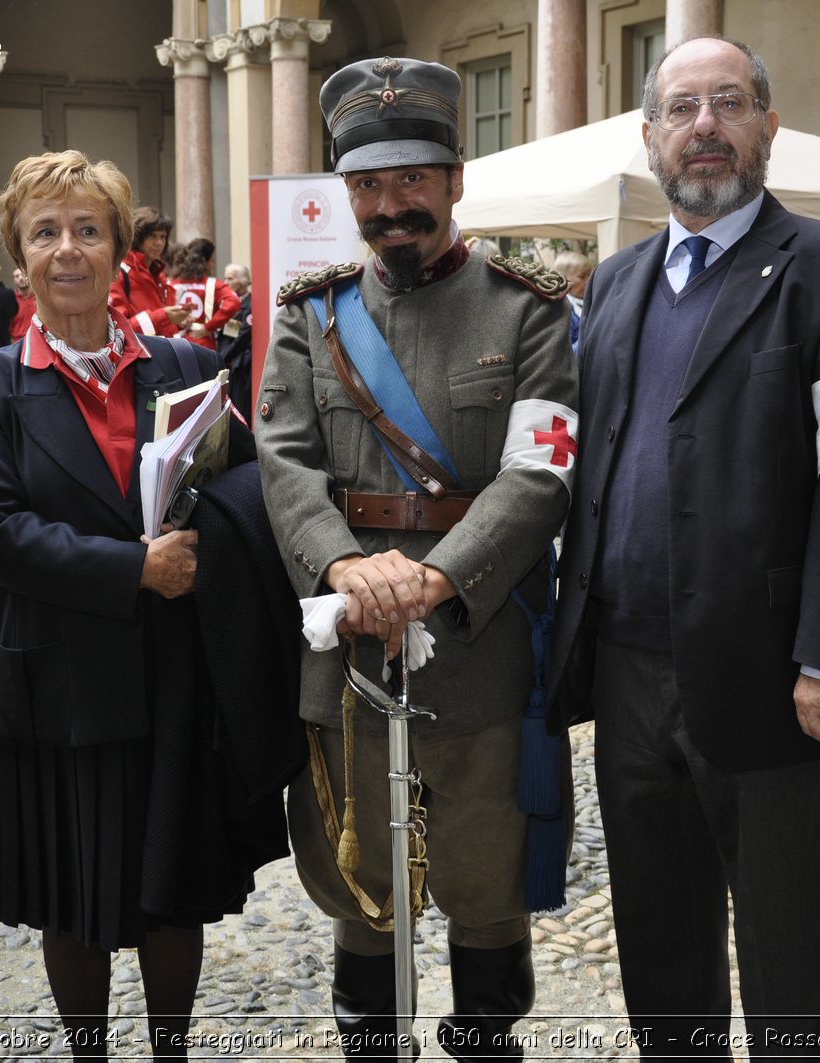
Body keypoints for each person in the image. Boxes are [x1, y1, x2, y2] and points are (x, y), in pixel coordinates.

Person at [547, 37, 820, 1060]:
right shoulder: (613, 287)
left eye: (727, 102)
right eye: (681, 108)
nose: (702, 125)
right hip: (626, 669)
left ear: (767, 125)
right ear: (649, 138)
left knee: (789, 953)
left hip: (777, 679)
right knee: (659, 945)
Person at [258, 56, 581, 1060]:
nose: (391, 206)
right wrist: (345, 569)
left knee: (487, 887)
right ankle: (371, 1044)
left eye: (411, 181)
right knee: (363, 885)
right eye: (368, 185)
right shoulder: (309, 318)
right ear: (345, 191)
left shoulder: (528, 313)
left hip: (478, 649)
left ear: (453, 179)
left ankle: (486, 1040)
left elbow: (539, 475)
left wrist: (436, 579)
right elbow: (284, 460)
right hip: (350, 651)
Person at [0, 149, 283, 1061]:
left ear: (120, 249)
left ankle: (170, 1050)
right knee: (76, 892)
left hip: (178, 669)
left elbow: (245, 487)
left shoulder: (186, 361)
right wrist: (133, 567)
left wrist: (216, 534)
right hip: (61, 676)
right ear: (19, 259)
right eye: (45, 232)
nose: (67, 249)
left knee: (174, 883)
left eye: (88, 229)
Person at [108, 207, 192, 338]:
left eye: (163, 237)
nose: (159, 243)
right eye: (153, 236)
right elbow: (119, 329)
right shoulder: (120, 274)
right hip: (138, 356)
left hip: (161, 353)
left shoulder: (159, 275)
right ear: (138, 237)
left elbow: (160, 327)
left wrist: (178, 321)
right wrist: (164, 316)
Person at [167, 238, 240, 352]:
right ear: (204, 262)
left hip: (175, 345)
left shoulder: (172, 284)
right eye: (211, 261)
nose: (212, 265)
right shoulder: (213, 284)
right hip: (203, 344)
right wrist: (208, 327)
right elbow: (233, 302)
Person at [220, 263, 253, 416]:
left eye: (230, 279)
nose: (225, 283)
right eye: (225, 278)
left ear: (243, 281)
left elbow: (243, 336)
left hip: (241, 364)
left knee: (240, 407)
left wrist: (223, 356)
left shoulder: (250, 304)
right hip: (226, 364)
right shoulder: (224, 304)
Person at [551, 249, 593, 351]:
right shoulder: (560, 309)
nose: (588, 281)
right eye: (582, 276)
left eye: (590, 275)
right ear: (563, 279)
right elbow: (563, 353)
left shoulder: (589, 301)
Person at [8, 265, 37, 341]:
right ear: (14, 281)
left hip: (38, 341)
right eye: (17, 276)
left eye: (23, 275)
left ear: (28, 277)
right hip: (19, 343)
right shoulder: (11, 300)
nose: (20, 278)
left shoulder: (38, 297)